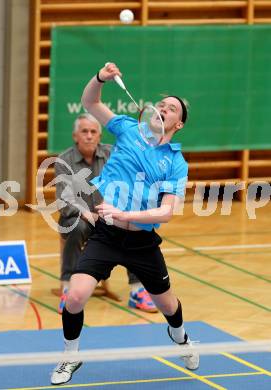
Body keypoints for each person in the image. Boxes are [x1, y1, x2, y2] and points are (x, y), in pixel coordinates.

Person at [51, 63, 199, 385]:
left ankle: (181, 337)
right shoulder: (128, 129)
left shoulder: (175, 163)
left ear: (180, 123)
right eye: (161, 105)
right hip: (107, 235)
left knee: (168, 304)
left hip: (142, 243)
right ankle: (70, 356)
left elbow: (166, 213)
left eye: (171, 108)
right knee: (75, 297)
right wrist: (100, 78)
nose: (164, 109)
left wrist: (125, 214)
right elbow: (90, 103)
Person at [54, 113, 158, 314]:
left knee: (132, 229)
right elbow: (64, 199)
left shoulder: (112, 154)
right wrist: (87, 213)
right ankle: (68, 288)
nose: (89, 136)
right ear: (75, 136)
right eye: (84, 131)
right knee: (78, 228)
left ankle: (137, 291)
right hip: (77, 217)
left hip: (110, 215)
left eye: (94, 132)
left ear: (99, 136)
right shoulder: (63, 160)